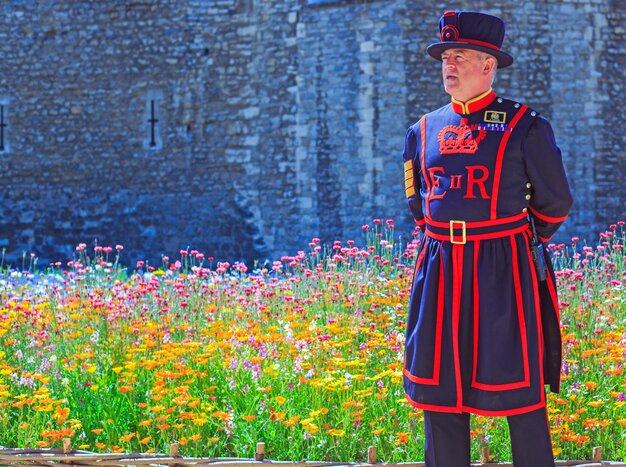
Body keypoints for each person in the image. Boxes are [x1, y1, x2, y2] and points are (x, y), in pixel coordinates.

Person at [402, 10, 573, 467]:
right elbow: (417, 202)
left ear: (488, 65)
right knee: (440, 397)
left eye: (459, 56)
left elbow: (555, 202)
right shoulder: (422, 130)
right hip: (439, 272)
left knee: (520, 395)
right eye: (444, 57)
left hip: (504, 273)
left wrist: (507, 239)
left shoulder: (525, 125)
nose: (449, 65)